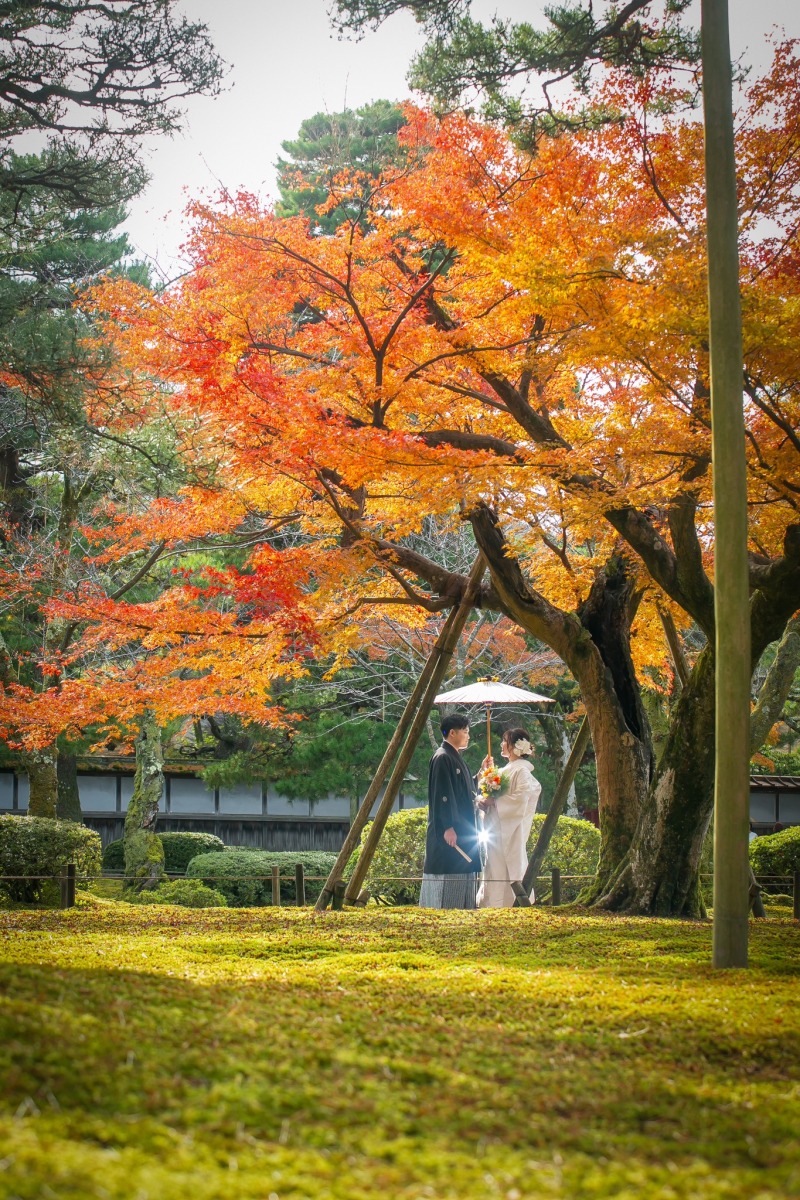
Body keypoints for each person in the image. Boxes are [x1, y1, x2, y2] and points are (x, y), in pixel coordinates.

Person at [419, 713, 488, 909]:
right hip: (450, 829)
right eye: (465, 732)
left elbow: (465, 790)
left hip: (462, 826)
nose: (468, 736)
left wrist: (480, 774)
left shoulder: (454, 757)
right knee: (450, 869)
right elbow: (443, 796)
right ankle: (447, 909)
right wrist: (447, 826)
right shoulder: (442, 757)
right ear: (452, 733)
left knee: (463, 868)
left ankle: (464, 908)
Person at [479, 726, 542, 908]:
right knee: (495, 864)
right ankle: (493, 902)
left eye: (505, 741)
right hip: (498, 827)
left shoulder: (521, 771)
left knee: (508, 864)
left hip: (509, 828)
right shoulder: (508, 769)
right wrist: (485, 792)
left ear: (515, 746)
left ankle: (510, 902)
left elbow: (522, 797)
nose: (502, 744)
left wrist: (496, 803)